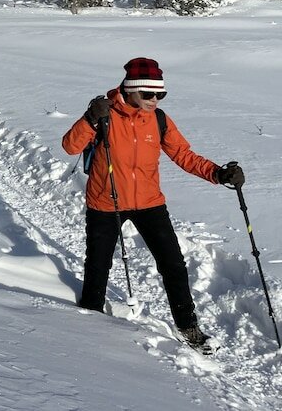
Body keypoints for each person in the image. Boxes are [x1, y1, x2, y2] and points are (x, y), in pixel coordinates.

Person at [61, 57, 245, 352]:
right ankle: (89, 319)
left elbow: (184, 155)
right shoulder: (105, 115)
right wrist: (89, 119)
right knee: (98, 264)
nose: (155, 100)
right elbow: (70, 146)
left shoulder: (158, 120)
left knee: (173, 263)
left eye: (160, 94)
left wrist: (218, 173)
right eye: (148, 94)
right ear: (130, 90)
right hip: (106, 203)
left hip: (149, 202)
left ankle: (188, 326)